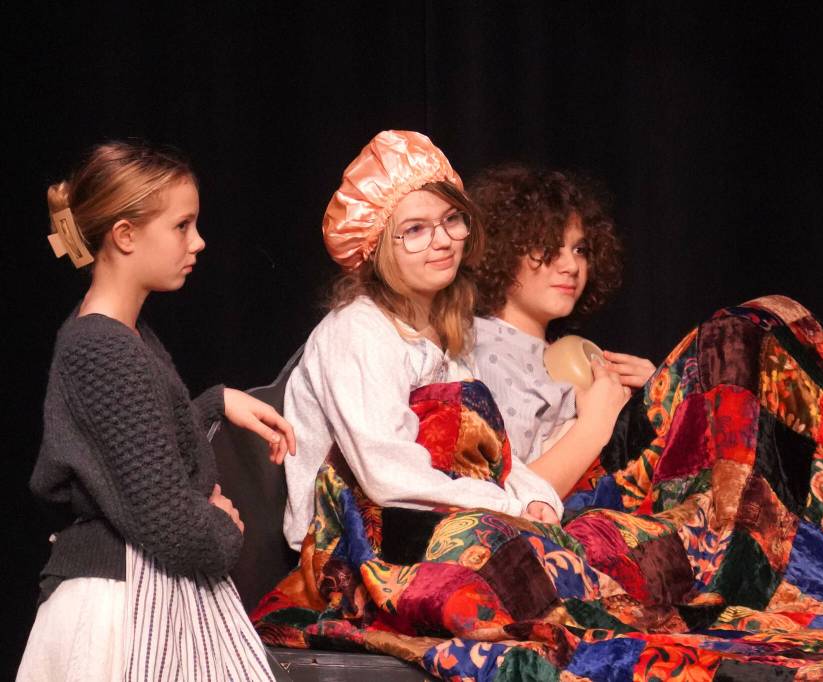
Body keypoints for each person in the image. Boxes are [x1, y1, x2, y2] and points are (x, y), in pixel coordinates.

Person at [19, 141, 295, 681]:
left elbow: (129, 450)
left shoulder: (120, 337)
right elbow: (169, 522)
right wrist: (223, 528)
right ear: (124, 235)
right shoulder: (103, 347)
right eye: (181, 225)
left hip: (131, 595)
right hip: (118, 610)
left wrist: (215, 403)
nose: (198, 241)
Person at [282, 131, 563, 552]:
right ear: (376, 248)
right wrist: (504, 507)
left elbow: (488, 450)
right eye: (415, 229)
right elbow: (387, 473)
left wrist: (533, 496)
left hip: (436, 525)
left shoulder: (441, 325)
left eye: (452, 219)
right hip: (356, 548)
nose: (443, 240)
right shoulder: (358, 331)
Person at [470, 165, 656, 498]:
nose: (571, 266)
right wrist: (596, 424)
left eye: (579, 250)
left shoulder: (563, 352)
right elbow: (504, 502)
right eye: (546, 246)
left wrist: (660, 397)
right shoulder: (485, 352)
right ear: (501, 250)